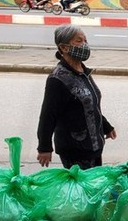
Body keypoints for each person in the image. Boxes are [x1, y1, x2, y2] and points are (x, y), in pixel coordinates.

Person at [37, 25, 117, 170]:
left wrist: (106, 126)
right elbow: (48, 115)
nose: (85, 45)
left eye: (85, 40)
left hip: (93, 145)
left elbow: (89, 104)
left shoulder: (83, 71)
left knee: (93, 188)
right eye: (79, 41)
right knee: (83, 191)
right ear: (63, 47)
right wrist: (44, 147)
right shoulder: (58, 78)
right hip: (75, 148)